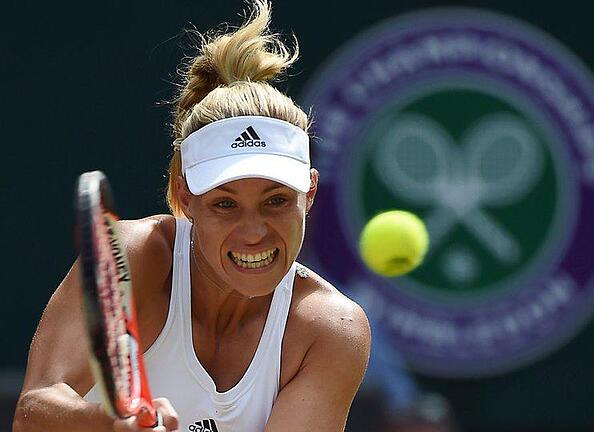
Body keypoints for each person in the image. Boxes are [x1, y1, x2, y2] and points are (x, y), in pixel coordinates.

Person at [13, 1, 371, 431]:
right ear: (185, 197)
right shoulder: (132, 258)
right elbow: (33, 413)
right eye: (225, 204)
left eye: (276, 201)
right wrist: (112, 426)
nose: (254, 232)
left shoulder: (331, 331)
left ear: (309, 193)